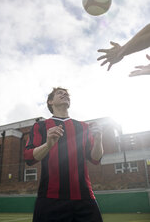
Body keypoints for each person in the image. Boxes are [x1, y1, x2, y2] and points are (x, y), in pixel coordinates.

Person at [24, 87, 104, 222]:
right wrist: (48, 145)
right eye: (59, 93)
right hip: (50, 200)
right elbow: (29, 157)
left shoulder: (84, 127)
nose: (65, 94)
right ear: (50, 102)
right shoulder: (40, 126)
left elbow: (96, 159)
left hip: (84, 198)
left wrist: (98, 139)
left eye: (66, 93)